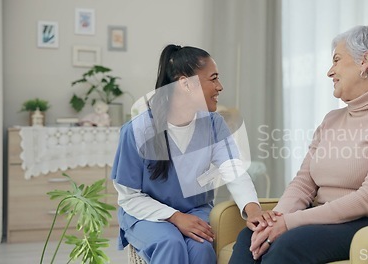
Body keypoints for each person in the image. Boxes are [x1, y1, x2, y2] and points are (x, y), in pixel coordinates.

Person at [229, 25, 368, 264]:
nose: (329, 71)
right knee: (250, 236)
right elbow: (304, 183)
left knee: (289, 245)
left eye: (336, 60)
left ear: (364, 61)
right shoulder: (331, 120)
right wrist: (275, 219)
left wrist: (290, 223)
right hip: (335, 221)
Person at [111, 44, 277, 264]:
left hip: (195, 210)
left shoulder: (214, 124)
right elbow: (128, 196)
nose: (220, 87)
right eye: (213, 78)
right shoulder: (138, 130)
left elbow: (233, 170)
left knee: (201, 250)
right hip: (147, 215)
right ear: (185, 83)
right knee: (170, 244)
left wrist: (253, 209)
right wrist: (176, 217)